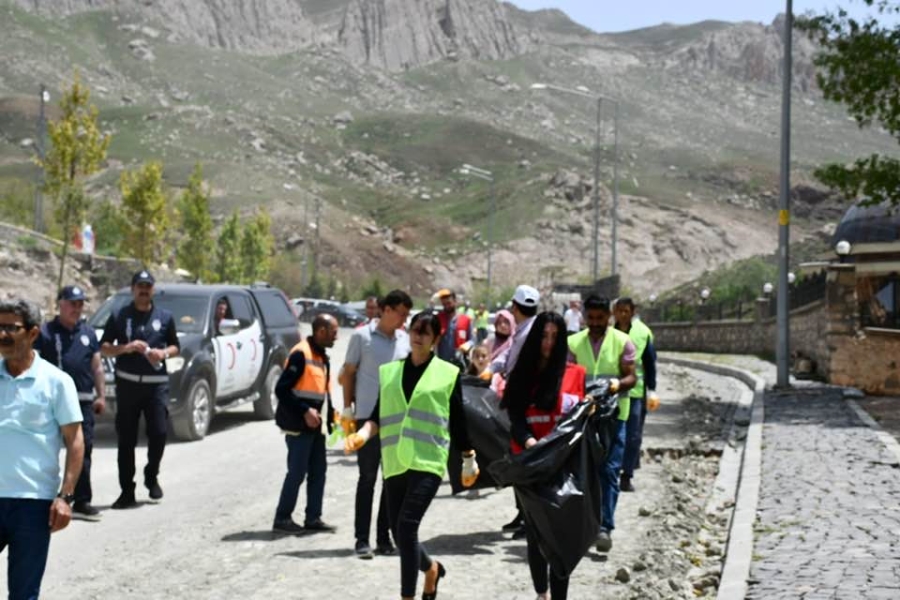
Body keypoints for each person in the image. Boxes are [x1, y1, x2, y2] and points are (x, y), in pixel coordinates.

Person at [345, 311, 479, 600]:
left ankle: (407, 596)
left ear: (435, 339)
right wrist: (361, 435)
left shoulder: (447, 373)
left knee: (406, 527)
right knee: (398, 532)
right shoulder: (390, 372)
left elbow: (457, 421)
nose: (418, 336)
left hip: (428, 461)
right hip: (395, 462)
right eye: (415, 330)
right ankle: (430, 569)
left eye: (425, 332)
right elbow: (378, 416)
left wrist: (468, 459)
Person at [0, 298, 84, 600]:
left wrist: (66, 497)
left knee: (23, 594)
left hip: (33, 505)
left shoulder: (57, 382)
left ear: (33, 333)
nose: (2, 334)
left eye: (11, 327)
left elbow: (75, 441)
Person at [504, 312, 587, 600]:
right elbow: (515, 420)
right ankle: (542, 594)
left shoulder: (576, 374)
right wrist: (532, 445)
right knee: (536, 532)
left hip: (565, 465)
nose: (549, 343)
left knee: (561, 536)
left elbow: (580, 422)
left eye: (555, 337)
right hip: (530, 465)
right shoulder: (521, 375)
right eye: (544, 336)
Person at [341, 291, 412, 558]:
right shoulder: (362, 337)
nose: (404, 319)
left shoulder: (405, 341)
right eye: (402, 313)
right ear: (386, 310)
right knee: (367, 478)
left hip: (396, 421)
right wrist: (348, 409)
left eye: (407, 315)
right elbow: (348, 373)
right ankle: (362, 540)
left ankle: (384, 538)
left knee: (392, 480)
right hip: (366, 420)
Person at [100, 270, 180, 509]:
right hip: (128, 385)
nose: (144, 290)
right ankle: (127, 490)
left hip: (156, 387)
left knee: (159, 433)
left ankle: (151, 475)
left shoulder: (165, 317)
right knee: (126, 440)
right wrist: (126, 348)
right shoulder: (119, 315)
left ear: (153, 290)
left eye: (148, 286)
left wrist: (163, 353)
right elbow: (103, 347)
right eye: (140, 286)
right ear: (132, 289)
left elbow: (176, 346)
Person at [567, 295, 636, 553]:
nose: (595, 323)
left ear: (609, 317)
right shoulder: (573, 343)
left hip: (615, 417)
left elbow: (632, 377)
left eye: (600, 318)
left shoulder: (622, 342)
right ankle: (586, 525)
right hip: (583, 417)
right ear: (584, 318)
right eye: (591, 318)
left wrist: (616, 385)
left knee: (609, 471)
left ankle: (605, 527)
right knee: (585, 472)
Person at [34, 285, 106, 521]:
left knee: (82, 452)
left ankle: (81, 500)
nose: (77, 308)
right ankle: (42, 498)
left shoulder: (88, 333)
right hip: (49, 403)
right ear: (60, 304)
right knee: (45, 449)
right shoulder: (45, 332)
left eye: (80, 304)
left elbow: (97, 366)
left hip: (82, 402)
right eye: (72, 303)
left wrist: (101, 395)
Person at [272, 314, 340, 535]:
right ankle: (282, 518)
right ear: (321, 331)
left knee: (319, 471)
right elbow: (281, 389)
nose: (336, 337)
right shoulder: (301, 353)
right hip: (297, 425)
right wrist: (304, 410)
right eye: (333, 332)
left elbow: (321, 392)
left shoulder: (321, 356)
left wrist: (331, 418)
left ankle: (313, 518)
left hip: (314, 426)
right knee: (297, 472)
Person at [614, 298, 658, 493]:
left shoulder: (643, 333)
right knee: (614, 435)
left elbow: (649, 363)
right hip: (612, 392)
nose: (623, 314)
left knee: (633, 436)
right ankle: (611, 471)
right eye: (619, 311)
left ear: (633, 312)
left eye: (626, 311)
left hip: (635, 392)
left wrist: (653, 389)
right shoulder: (608, 333)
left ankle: (627, 475)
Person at [488, 284, 540, 377]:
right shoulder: (528, 328)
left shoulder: (529, 332)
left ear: (515, 307)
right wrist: (491, 369)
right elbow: (509, 353)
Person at [434, 289, 473, 363]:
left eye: (449, 303)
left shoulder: (466, 320)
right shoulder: (437, 319)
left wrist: (466, 345)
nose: (446, 306)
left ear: (455, 301)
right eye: (444, 304)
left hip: (459, 362)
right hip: (441, 362)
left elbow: (472, 340)